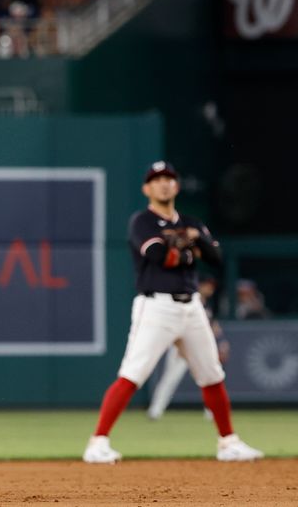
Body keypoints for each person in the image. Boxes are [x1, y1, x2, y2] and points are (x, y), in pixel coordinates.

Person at [82, 161, 263, 463]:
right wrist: (191, 246)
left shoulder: (192, 220)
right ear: (147, 189)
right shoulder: (143, 222)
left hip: (191, 307)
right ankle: (97, 442)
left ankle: (228, 442)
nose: (163, 183)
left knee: (212, 375)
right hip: (156, 307)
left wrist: (195, 241)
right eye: (156, 179)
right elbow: (156, 255)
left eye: (169, 179)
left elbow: (216, 257)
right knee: (132, 374)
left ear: (177, 186)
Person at [147, 276, 231, 420]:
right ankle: (155, 410)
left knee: (208, 378)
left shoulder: (205, 305)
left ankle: (211, 411)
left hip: (197, 347)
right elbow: (177, 323)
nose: (211, 289)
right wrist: (180, 345)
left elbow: (213, 326)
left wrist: (221, 342)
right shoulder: (189, 299)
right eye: (208, 286)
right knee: (170, 379)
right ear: (201, 285)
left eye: (212, 287)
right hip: (180, 347)